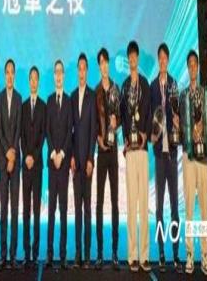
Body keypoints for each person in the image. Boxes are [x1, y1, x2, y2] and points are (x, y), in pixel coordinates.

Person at [179, 50, 207, 276]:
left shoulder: (205, 94)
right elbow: (180, 125)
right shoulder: (182, 96)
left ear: (198, 68)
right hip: (189, 156)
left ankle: (205, 255)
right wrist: (186, 129)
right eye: (189, 64)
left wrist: (202, 129)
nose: (192, 67)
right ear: (187, 67)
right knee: (190, 207)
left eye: (194, 64)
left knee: (205, 209)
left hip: (204, 158)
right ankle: (190, 253)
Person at [150, 43, 181, 272]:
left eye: (164, 58)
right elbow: (149, 116)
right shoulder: (152, 87)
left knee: (175, 208)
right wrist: (151, 135)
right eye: (159, 57)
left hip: (172, 152)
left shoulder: (174, 85)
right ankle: (161, 253)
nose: (162, 61)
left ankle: (176, 253)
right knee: (159, 207)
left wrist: (178, 121)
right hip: (159, 155)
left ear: (168, 60)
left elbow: (178, 113)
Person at [120, 40, 151, 273]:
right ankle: (131, 254)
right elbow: (122, 116)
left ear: (138, 59)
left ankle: (144, 255)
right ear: (128, 59)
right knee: (131, 203)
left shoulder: (145, 84)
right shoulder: (123, 86)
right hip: (130, 151)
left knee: (143, 203)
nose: (132, 59)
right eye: (129, 56)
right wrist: (125, 139)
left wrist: (144, 133)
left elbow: (148, 113)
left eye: (134, 56)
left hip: (142, 149)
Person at [94, 48, 120, 270]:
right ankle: (100, 253)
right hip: (101, 151)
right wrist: (98, 138)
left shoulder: (116, 88)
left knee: (114, 202)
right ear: (98, 66)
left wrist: (116, 122)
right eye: (101, 63)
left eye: (106, 62)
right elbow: (94, 122)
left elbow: (121, 117)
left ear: (109, 64)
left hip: (113, 151)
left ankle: (114, 252)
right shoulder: (96, 92)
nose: (104, 66)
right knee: (100, 202)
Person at [45, 59, 72, 270]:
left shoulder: (69, 101)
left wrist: (62, 154)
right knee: (51, 211)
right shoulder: (49, 100)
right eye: (56, 72)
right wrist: (53, 152)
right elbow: (47, 130)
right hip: (52, 163)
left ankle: (63, 255)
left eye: (61, 72)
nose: (58, 75)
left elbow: (70, 130)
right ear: (54, 76)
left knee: (63, 211)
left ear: (64, 75)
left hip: (63, 165)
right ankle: (50, 254)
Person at [70, 53, 96, 269]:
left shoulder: (92, 95)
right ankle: (77, 252)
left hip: (86, 164)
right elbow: (71, 129)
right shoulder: (71, 96)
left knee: (87, 209)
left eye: (84, 68)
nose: (81, 71)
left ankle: (87, 254)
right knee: (77, 210)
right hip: (74, 164)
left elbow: (93, 130)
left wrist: (90, 159)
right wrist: (71, 156)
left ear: (87, 71)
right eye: (78, 68)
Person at [0, 59, 22, 269]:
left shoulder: (20, 98)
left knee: (14, 210)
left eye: (12, 72)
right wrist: (7, 153)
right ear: (4, 75)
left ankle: (13, 255)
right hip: (3, 162)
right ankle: (3, 255)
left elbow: (18, 128)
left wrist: (13, 154)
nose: (10, 75)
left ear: (15, 75)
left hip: (16, 160)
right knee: (3, 209)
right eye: (7, 72)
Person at [21, 66, 46, 269]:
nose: (33, 81)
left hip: (37, 166)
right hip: (25, 165)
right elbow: (21, 135)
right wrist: (26, 156)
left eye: (36, 78)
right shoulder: (22, 106)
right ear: (29, 81)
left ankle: (36, 252)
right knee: (26, 210)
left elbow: (43, 135)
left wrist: (33, 157)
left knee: (37, 210)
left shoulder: (43, 106)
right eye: (31, 78)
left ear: (38, 81)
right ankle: (26, 252)